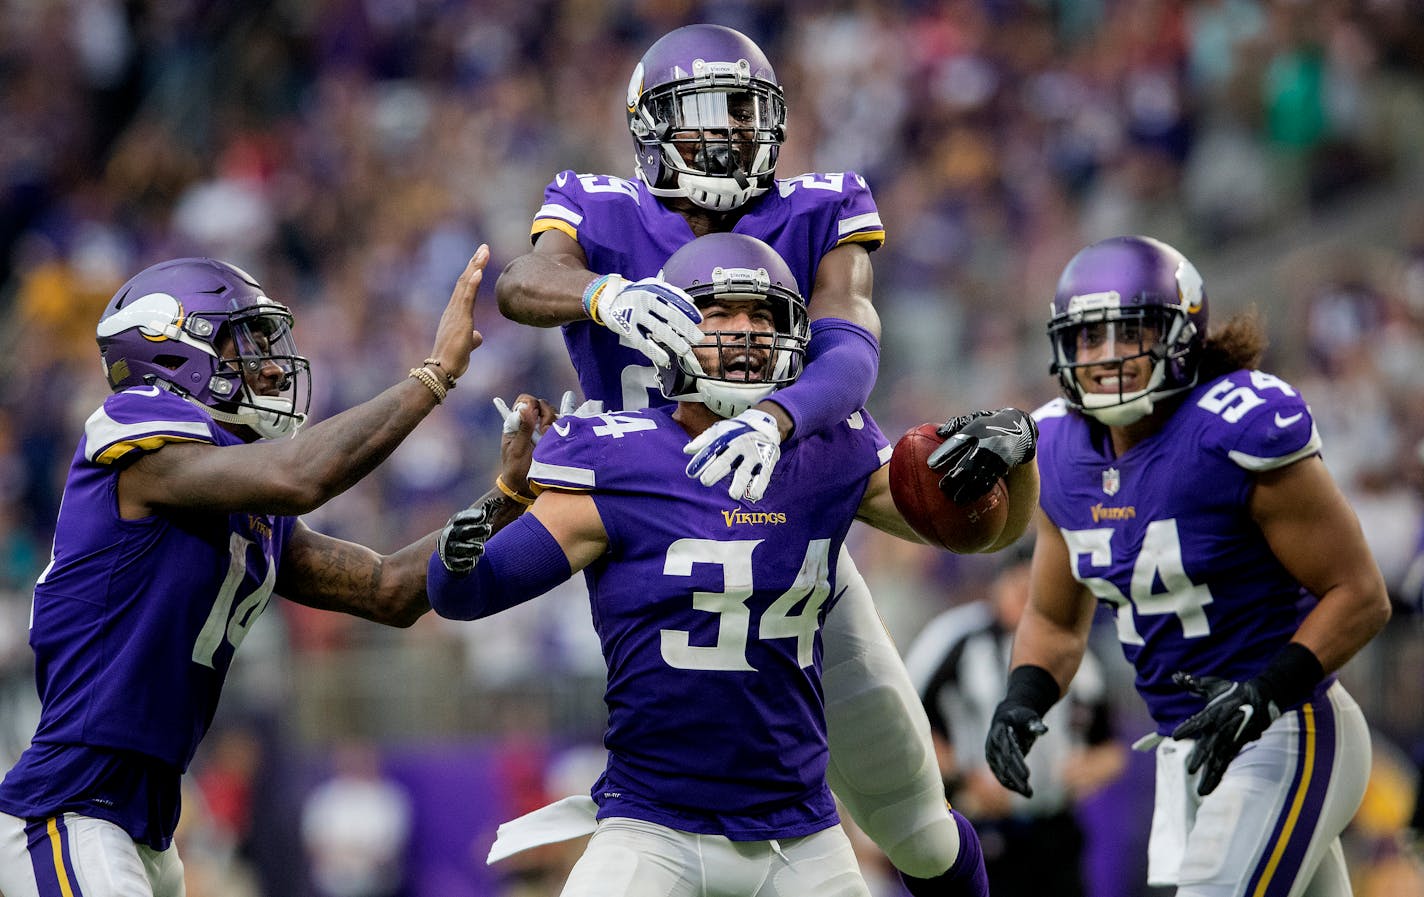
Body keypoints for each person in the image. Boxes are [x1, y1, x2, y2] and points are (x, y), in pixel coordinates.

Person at [494, 24, 991, 894]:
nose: (724, 133)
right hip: (638, 550)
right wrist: (602, 294)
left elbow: (851, 343)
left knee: (916, 827)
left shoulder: (817, 206)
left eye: (740, 112)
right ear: (649, 129)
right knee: (648, 809)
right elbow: (523, 283)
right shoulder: (597, 208)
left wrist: (775, 416)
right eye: (699, 115)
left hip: (789, 554)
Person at [434, 233, 1039, 897]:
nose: (745, 332)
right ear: (669, 328)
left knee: (926, 832)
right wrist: (477, 530)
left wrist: (1020, 460)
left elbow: (986, 535)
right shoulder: (618, 456)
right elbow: (470, 590)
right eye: (721, 313)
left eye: (763, 315)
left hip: (798, 831)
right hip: (650, 826)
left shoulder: (828, 448)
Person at [0, 247, 540, 897]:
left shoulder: (241, 494)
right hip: (69, 809)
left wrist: (507, 496)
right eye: (243, 340)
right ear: (173, 353)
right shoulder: (133, 429)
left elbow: (389, 588)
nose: (266, 359)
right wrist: (433, 376)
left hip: (143, 827)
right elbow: (300, 475)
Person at [985, 235, 1392, 896]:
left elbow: (1361, 592)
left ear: (1181, 333)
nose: (1107, 356)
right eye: (1088, 338)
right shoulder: (1057, 450)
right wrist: (1023, 696)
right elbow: (1055, 620)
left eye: (1130, 332)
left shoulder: (1231, 428)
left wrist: (1265, 691)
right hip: (1191, 745)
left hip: (1287, 723)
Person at [903, 543, 1125, 897]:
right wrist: (962, 780)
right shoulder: (956, 638)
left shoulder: (1076, 650)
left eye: (1035, 593)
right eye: (1020, 590)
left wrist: (1085, 770)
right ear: (998, 585)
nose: (1026, 604)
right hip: (979, 828)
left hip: (1055, 829)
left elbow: (1110, 748)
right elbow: (907, 725)